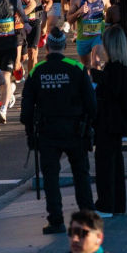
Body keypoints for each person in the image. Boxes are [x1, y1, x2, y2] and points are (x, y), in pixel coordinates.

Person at [23, 28, 97, 233]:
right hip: (75, 129)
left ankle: (56, 220)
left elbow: (26, 108)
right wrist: (89, 126)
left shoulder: (37, 70)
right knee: (81, 174)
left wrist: (30, 133)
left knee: (51, 178)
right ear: (65, 46)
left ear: (47, 47)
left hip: (48, 131)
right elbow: (92, 104)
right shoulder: (76, 68)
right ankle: (88, 216)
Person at [94, 26, 127, 217]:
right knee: (114, 162)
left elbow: (110, 91)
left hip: (109, 122)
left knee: (106, 163)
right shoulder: (120, 67)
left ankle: (106, 204)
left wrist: (95, 70)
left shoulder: (114, 68)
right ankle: (116, 203)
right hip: (115, 122)